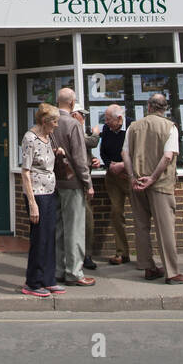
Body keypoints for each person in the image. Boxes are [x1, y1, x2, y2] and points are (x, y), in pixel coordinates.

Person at [122, 93, 183, 284]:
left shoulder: (133, 127)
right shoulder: (170, 127)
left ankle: (148, 267)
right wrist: (152, 178)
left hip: (136, 184)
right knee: (165, 228)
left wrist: (132, 177)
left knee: (141, 227)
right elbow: (168, 156)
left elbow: (125, 154)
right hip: (160, 184)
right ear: (164, 108)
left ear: (149, 107)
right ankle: (172, 272)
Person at [53, 88, 95, 286]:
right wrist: (88, 183)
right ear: (71, 103)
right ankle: (75, 273)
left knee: (59, 229)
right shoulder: (72, 124)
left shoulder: (49, 122)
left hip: (54, 182)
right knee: (75, 229)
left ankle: (59, 270)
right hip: (72, 182)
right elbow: (79, 158)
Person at [21, 104, 63, 297]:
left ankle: (48, 279)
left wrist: (57, 153)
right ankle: (33, 282)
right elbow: (26, 172)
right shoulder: (30, 139)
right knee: (39, 239)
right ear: (45, 121)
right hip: (37, 195)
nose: (56, 125)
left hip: (49, 191)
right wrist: (32, 204)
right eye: (54, 121)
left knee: (49, 237)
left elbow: (45, 160)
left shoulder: (48, 136)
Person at [95, 105, 130, 264]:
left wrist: (123, 166)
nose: (106, 122)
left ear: (120, 119)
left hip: (130, 175)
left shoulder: (132, 128)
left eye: (109, 119)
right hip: (113, 177)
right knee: (117, 213)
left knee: (140, 214)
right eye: (106, 119)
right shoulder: (107, 129)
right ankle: (122, 252)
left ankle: (144, 254)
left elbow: (137, 152)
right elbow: (103, 151)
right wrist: (110, 165)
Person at [73, 104, 100, 271]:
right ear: (75, 115)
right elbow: (90, 142)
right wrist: (96, 134)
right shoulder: (72, 129)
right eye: (82, 115)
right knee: (78, 220)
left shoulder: (80, 130)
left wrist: (94, 160)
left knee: (87, 220)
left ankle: (86, 254)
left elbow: (86, 152)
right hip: (75, 181)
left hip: (83, 181)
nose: (84, 119)